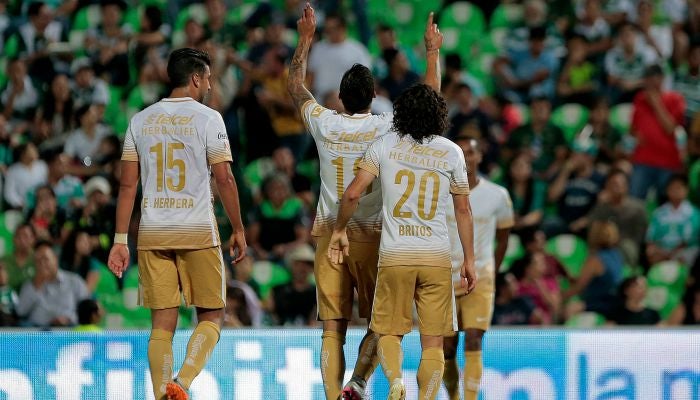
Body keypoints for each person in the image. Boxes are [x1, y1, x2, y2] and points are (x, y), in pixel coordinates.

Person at [287, 5, 445, 399]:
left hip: (331, 234)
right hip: (378, 237)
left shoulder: (323, 122)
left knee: (331, 328)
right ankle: (358, 382)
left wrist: (305, 40)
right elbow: (428, 101)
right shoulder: (386, 128)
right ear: (375, 97)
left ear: (339, 96)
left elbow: (294, 85)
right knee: (383, 323)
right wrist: (431, 53)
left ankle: (332, 395)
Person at [106, 48, 247, 400]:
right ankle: (181, 384)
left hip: (153, 233)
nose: (211, 84)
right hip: (197, 229)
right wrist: (239, 229)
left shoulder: (140, 120)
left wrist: (120, 239)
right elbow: (225, 178)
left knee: (161, 327)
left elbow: (127, 185)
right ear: (197, 78)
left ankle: (161, 395)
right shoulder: (209, 118)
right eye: (209, 77)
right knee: (212, 316)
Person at [329, 80, 476, 400]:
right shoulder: (452, 152)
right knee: (434, 342)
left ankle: (396, 382)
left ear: (401, 114)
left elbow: (353, 193)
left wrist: (339, 229)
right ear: (439, 115)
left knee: (388, 332)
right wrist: (469, 260)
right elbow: (463, 209)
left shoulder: (384, 145)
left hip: (396, 254)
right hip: (437, 256)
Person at [442, 137, 514, 400]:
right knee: (447, 347)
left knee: (473, 339)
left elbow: (505, 235)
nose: (466, 157)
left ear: (479, 156)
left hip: (480, 276)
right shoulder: (440, 192)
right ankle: (453, 396)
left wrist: (492, 268)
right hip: (445, 278)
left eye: (471, 152)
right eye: (461, 152)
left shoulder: (498, 195)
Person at [16, 241, 88, 327]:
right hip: (38, 333)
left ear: (55, 259)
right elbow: (20, 312)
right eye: (38, 261)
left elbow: (87, 311)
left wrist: (69, 319)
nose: (42, 264)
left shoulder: (74, 281)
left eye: (45, 259)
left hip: (68, 330)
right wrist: (36, 286)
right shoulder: (29, 285)